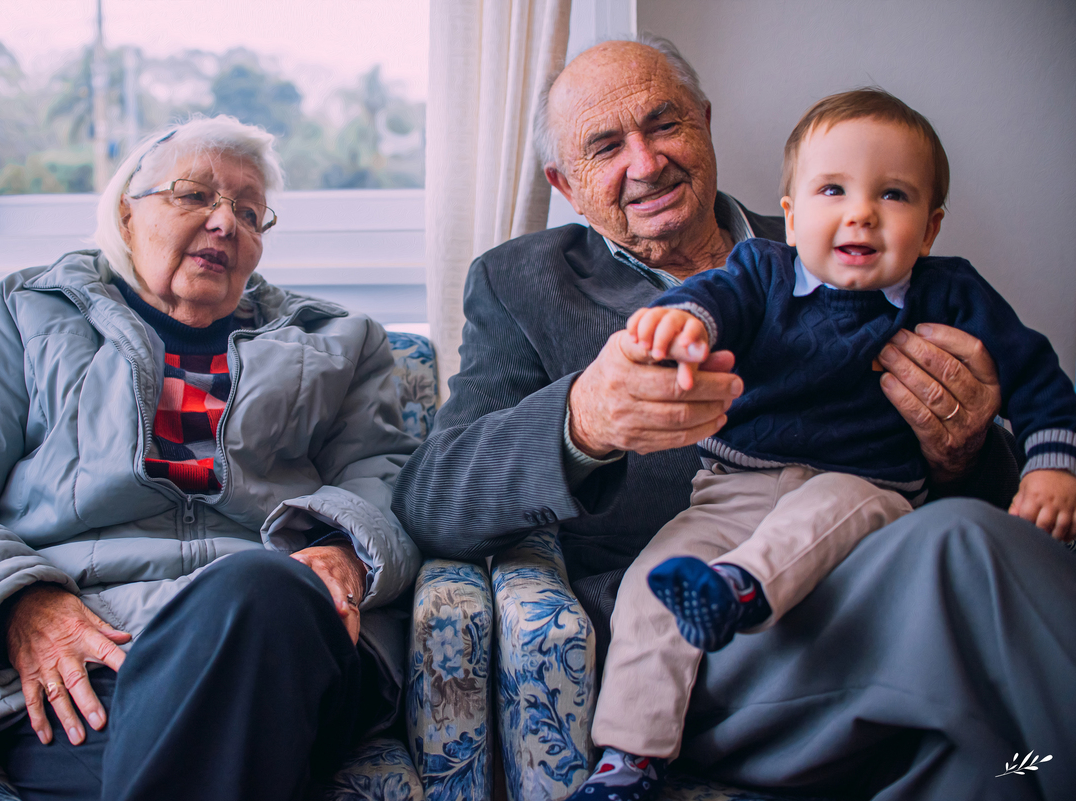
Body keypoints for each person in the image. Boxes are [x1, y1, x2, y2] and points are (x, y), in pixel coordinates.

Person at [392, 36, 1076, 801]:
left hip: (881, 580)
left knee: (998, 763)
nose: (646, 162)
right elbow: (430, 499)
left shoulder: (841, 244)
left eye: (665, 124)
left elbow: (1008, 473)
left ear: (707, 124)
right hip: (701, 646)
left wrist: (963, 449)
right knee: (970, 552)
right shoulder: (522, 283)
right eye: (606, 146)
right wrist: (583, 420)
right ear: (564, 182)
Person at [0, 116, 422, 801]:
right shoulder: (25, 316)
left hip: (276, 646)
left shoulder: (339, 342)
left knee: (260, 588)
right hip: (82, 672)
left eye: (249, 212)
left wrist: (343, 545)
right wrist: (17, 598)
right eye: (195, 195)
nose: (225, 222)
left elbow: (392, 476)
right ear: (125, 213)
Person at [576, 88, 1076, 801]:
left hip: (865, 497)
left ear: (930, 229)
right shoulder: (761, 272)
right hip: (732, 494)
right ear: (790, 213)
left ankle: (736, 589)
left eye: (894, 195)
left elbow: (1039, 378)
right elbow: (710, 305)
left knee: (831, 508)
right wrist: (677, 327)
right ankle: (627, 759)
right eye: (833, 189)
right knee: (655, 580)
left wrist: (1053, 465)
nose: (861, 212)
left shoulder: (952, 294)